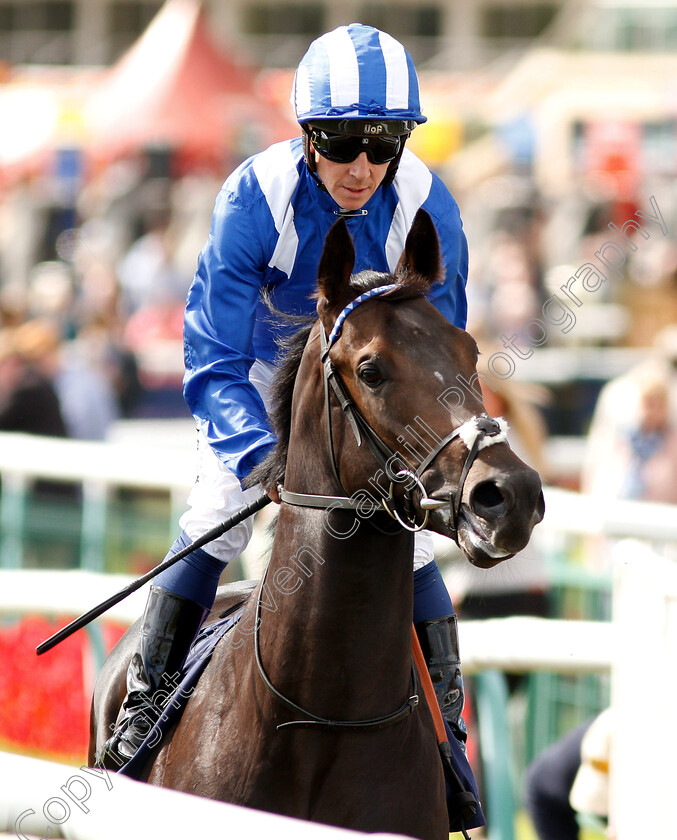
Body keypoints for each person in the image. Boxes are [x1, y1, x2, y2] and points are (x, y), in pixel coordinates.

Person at [99, 24, 476, 804]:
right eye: (341, 143)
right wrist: (258, 456)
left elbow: (439, 358)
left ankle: (448, 735)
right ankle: (145, 702)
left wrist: (418, 453)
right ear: (307, 136)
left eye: (384, 144)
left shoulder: (426, 203)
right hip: (267, 377)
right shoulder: (253, 194)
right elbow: (211, 354)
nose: (362, 167)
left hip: (369, 387)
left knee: (406, 548)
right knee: (221, 507)